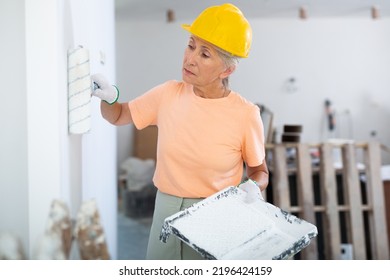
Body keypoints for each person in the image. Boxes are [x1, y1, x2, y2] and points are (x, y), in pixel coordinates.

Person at [91, 3, 269, 260]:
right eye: (191, 45)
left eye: (205, 54)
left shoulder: (246, 114)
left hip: (215, 217)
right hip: (165, 210)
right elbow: (119, 115)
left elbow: (259, 171)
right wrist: (108, 98)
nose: (190, 58)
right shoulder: (168, 94)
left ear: (227, 70)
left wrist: (253, 187)